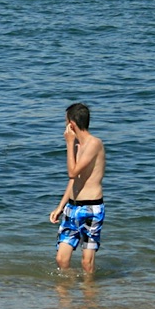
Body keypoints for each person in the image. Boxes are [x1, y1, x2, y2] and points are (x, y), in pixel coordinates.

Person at [48, 102, 105, 274]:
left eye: (66, 123)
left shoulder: (94, 144)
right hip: (71, 207)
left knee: (86, 263)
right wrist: (61, 206)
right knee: (61, 259)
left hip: (91, 208)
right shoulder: (77, 146)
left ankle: (89, 296)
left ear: (71, 124)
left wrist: (69, 143)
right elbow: (74, 181)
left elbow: (72, 172)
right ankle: (67, 294)